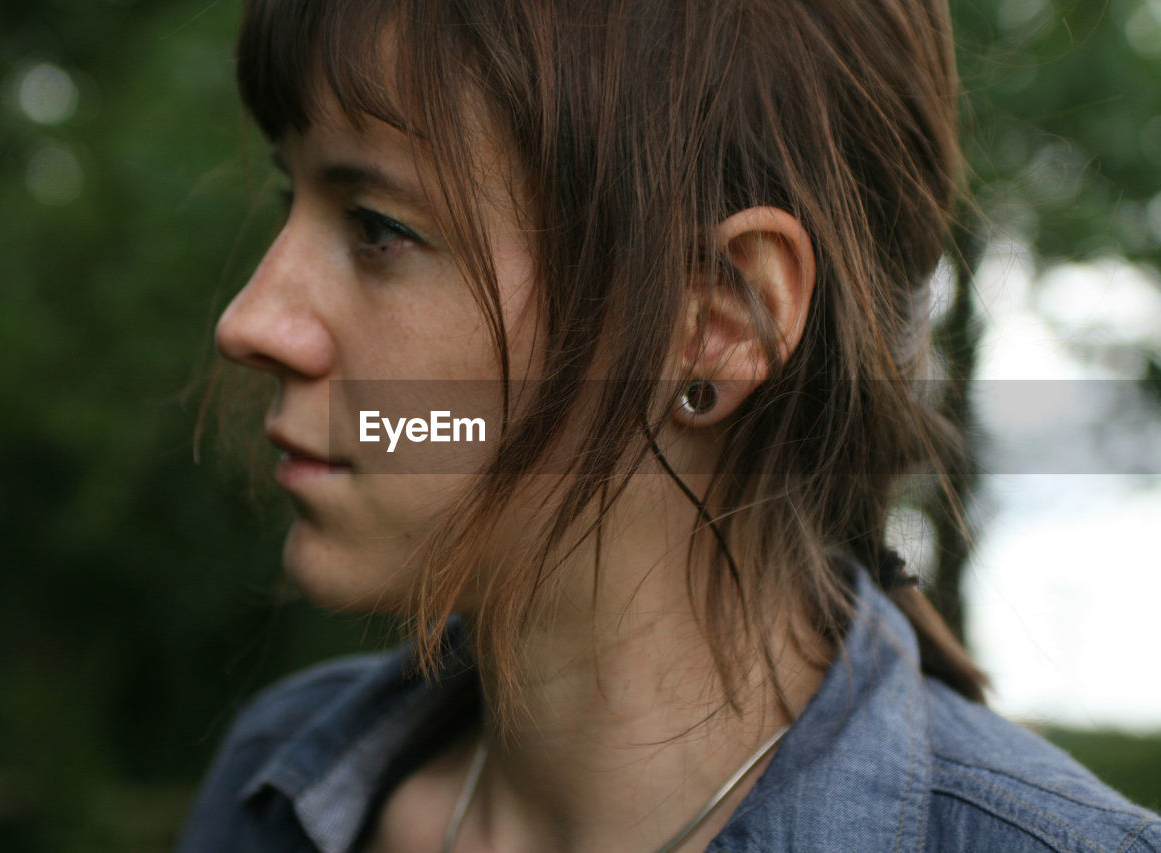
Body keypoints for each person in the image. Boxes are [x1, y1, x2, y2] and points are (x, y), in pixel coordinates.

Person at [175, 0, 1161, 850]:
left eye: (380, 228)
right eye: (285, 195)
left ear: (719, 321)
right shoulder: (278, 787)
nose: (251, 321)